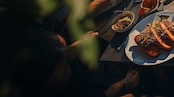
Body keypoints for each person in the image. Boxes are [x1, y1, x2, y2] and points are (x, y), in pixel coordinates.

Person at [12, 26, 140, 97]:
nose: (67, 67)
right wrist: (124, 83)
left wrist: (72, 49)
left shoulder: (42, 60)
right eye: (61, 65)